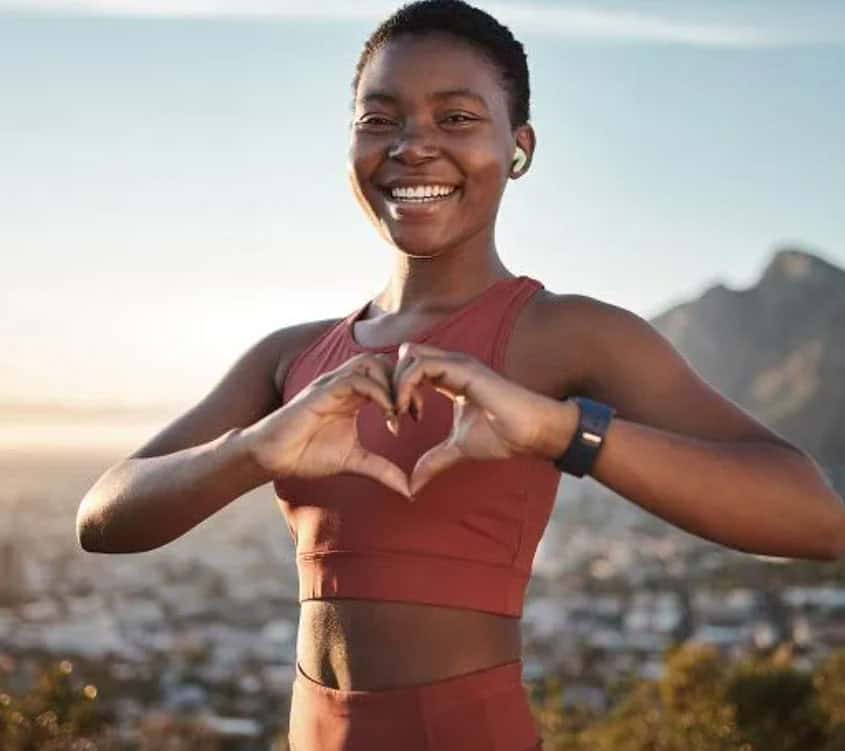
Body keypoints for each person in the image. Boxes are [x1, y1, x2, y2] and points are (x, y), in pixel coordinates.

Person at [76, 1, 845, 749]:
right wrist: (251, 452)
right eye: (379, 119)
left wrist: (558, 430)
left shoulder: (570, 333)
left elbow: (814, 518)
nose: (412, 144)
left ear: (520, 146)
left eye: (456, 118)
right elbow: (103, 516)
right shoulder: (291, 356)